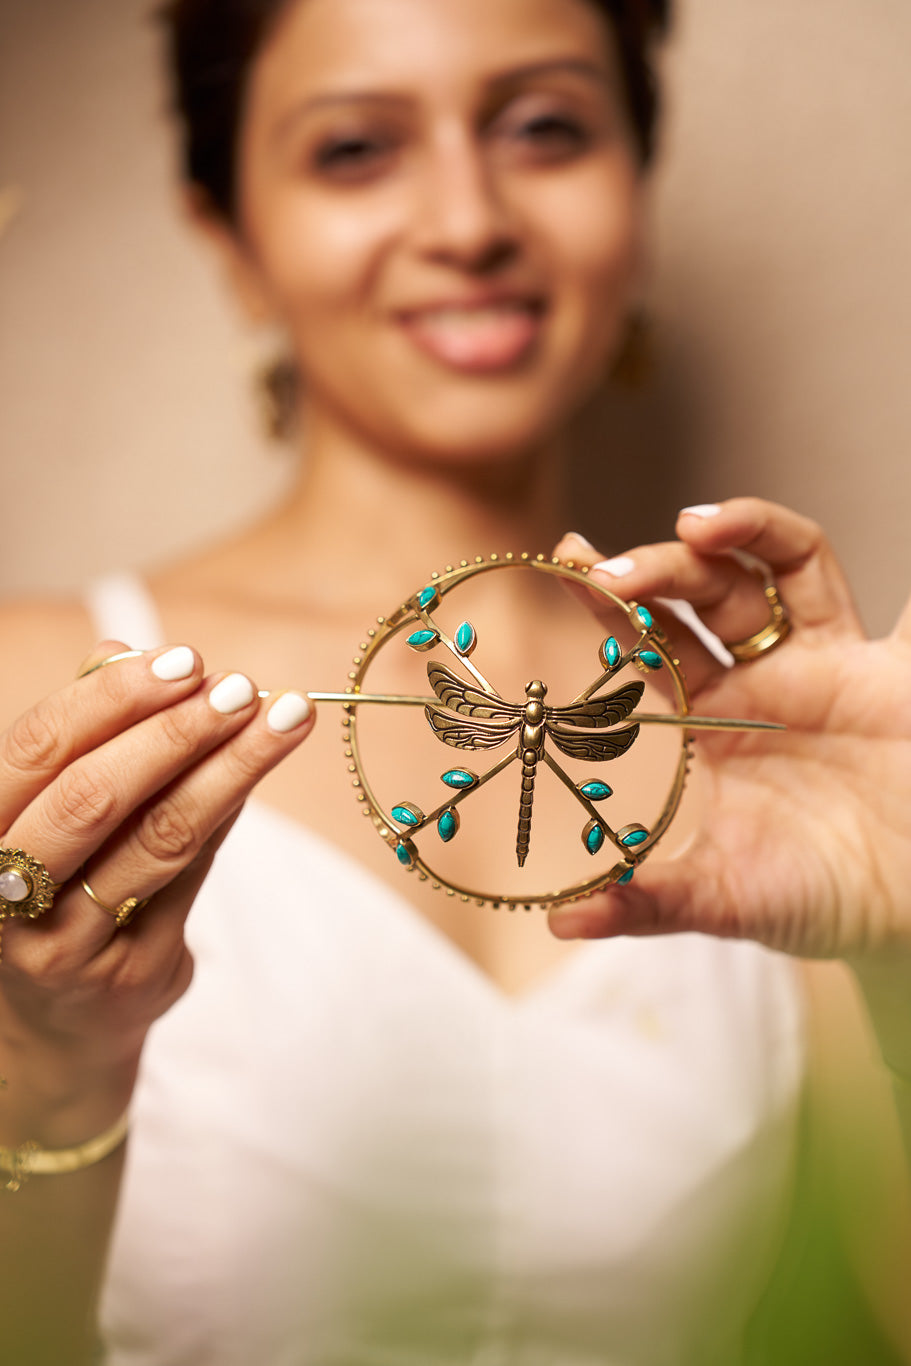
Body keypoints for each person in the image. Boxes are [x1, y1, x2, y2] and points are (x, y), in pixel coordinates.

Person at [1, 0, 910, 1361]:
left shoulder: (765, 753)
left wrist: (903, 946)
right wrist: (42, 1091)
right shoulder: (34, 692)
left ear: (635, 188)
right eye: (357, 148)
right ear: (230, 237)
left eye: (545, 127)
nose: (469, 218)